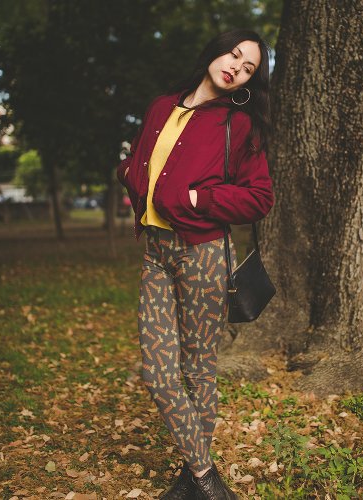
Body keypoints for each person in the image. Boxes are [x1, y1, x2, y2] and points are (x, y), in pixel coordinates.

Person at [116, 29, 274, 500]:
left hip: (203, 253)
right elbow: (139, 162)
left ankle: (193, 480)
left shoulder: (239, 124)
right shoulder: (162, 106)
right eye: (234, 55)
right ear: (217, 50)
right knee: (159, 373)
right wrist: (128, 173)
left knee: (200, 369)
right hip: (156, 253)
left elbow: (260, 196)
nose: (236, 68)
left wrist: (195, 197)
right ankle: (207, 477)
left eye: (248, 68)